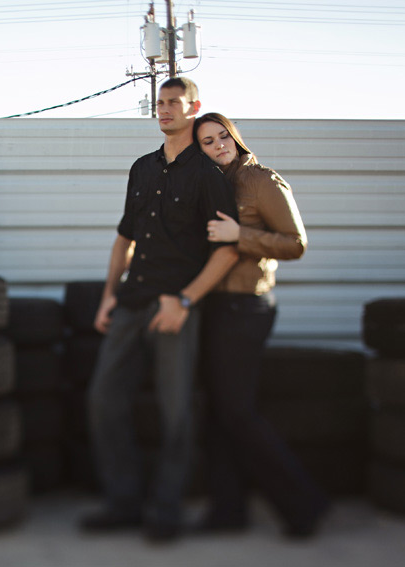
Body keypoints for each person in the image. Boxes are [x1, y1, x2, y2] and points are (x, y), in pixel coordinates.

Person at [81, 78, 239, 542]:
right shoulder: (143, 167)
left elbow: (227, 250)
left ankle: (165, 511)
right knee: (103, 401)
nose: (165, 110)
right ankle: (124, 502)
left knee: (176, 414)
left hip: (175, 309)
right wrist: (110, 293)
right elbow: (125, 238)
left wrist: (187, 300)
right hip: (131, 302)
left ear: (195, 108)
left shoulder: (208, 175)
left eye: (174, 103)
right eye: (160, 103)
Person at [193, 112, 330, 538]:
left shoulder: (261, 180)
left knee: (237, 412)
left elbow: (296, 243)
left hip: (246, 309)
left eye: (223, 137)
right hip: (214, 307)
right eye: (208, 142)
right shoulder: (211, 183)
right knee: (219, 413)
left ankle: (305, 503)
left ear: (234, 137)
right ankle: (228, 512)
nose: (219, 146)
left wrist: (240, 235)